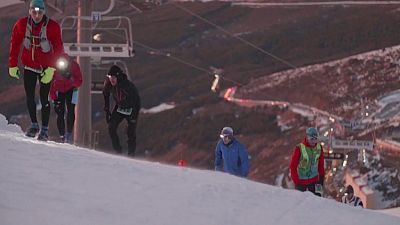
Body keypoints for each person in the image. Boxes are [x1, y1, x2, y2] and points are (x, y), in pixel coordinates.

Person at [8, 0, 64, 141]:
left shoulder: (52, 27)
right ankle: (34, 125)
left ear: (44, 12)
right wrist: (12, 65)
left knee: (44, 97)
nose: (37, 15)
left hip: (45, 67)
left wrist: (52, 69)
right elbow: (14, 44)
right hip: (29, 66)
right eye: (34, 12)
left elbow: (58, 49)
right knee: (30, 96)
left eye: (40, 12)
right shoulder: (21, 25)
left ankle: (44, 129)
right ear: (30, 11)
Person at [102, 65, 141, 156]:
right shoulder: (108, 83)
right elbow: (105, 94)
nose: (112, 80)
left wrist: (134, 117)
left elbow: (137, 102)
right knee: (111, 127)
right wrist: (107, 109)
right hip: (119, 107)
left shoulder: (128, 86)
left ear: (118, 77)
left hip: (131, 109)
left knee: (130, 132)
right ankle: (118, 151)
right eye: (110, 77)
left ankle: (131, 155)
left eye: (114, 77)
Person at [49, 53, 83, 144]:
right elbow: (51, 83)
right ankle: (62, 135)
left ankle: (68, 134)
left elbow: (79, 82)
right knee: (60, 112)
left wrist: (71, 78)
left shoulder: (74, 66)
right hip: (59, 90)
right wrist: (54, 98)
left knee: (70, 110)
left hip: (71, 89)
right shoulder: (54, 67)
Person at [290, 127, 325, 196]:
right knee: (300, 200)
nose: (313, 141)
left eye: (315, 139)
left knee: (318, 200)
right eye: (311, 139)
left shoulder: (319, 148)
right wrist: (297, 182)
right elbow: (293, 166)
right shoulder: (299, 148)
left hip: (314, 180)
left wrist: (321, 178)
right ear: (307, 137)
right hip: (301, 181)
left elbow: (321, 165)